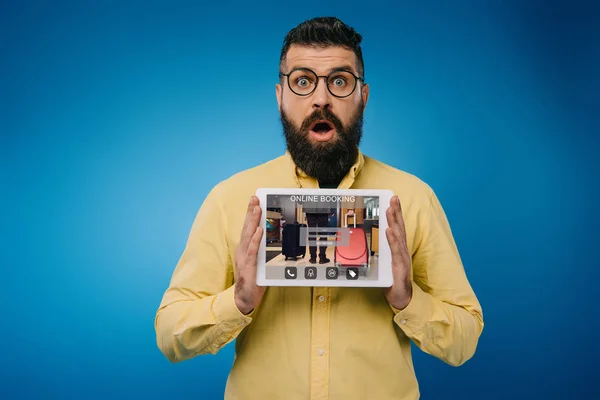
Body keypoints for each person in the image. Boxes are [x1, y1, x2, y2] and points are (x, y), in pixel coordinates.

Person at [155, 16, 484, 400]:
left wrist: (407, 299)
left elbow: (465, 339)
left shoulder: (411, 199)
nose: (321, 99)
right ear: (280, 95)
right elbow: (170, 335)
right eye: (303, 81)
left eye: (340, 81)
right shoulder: (232, 199)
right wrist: (239, 301)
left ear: (363, 96)